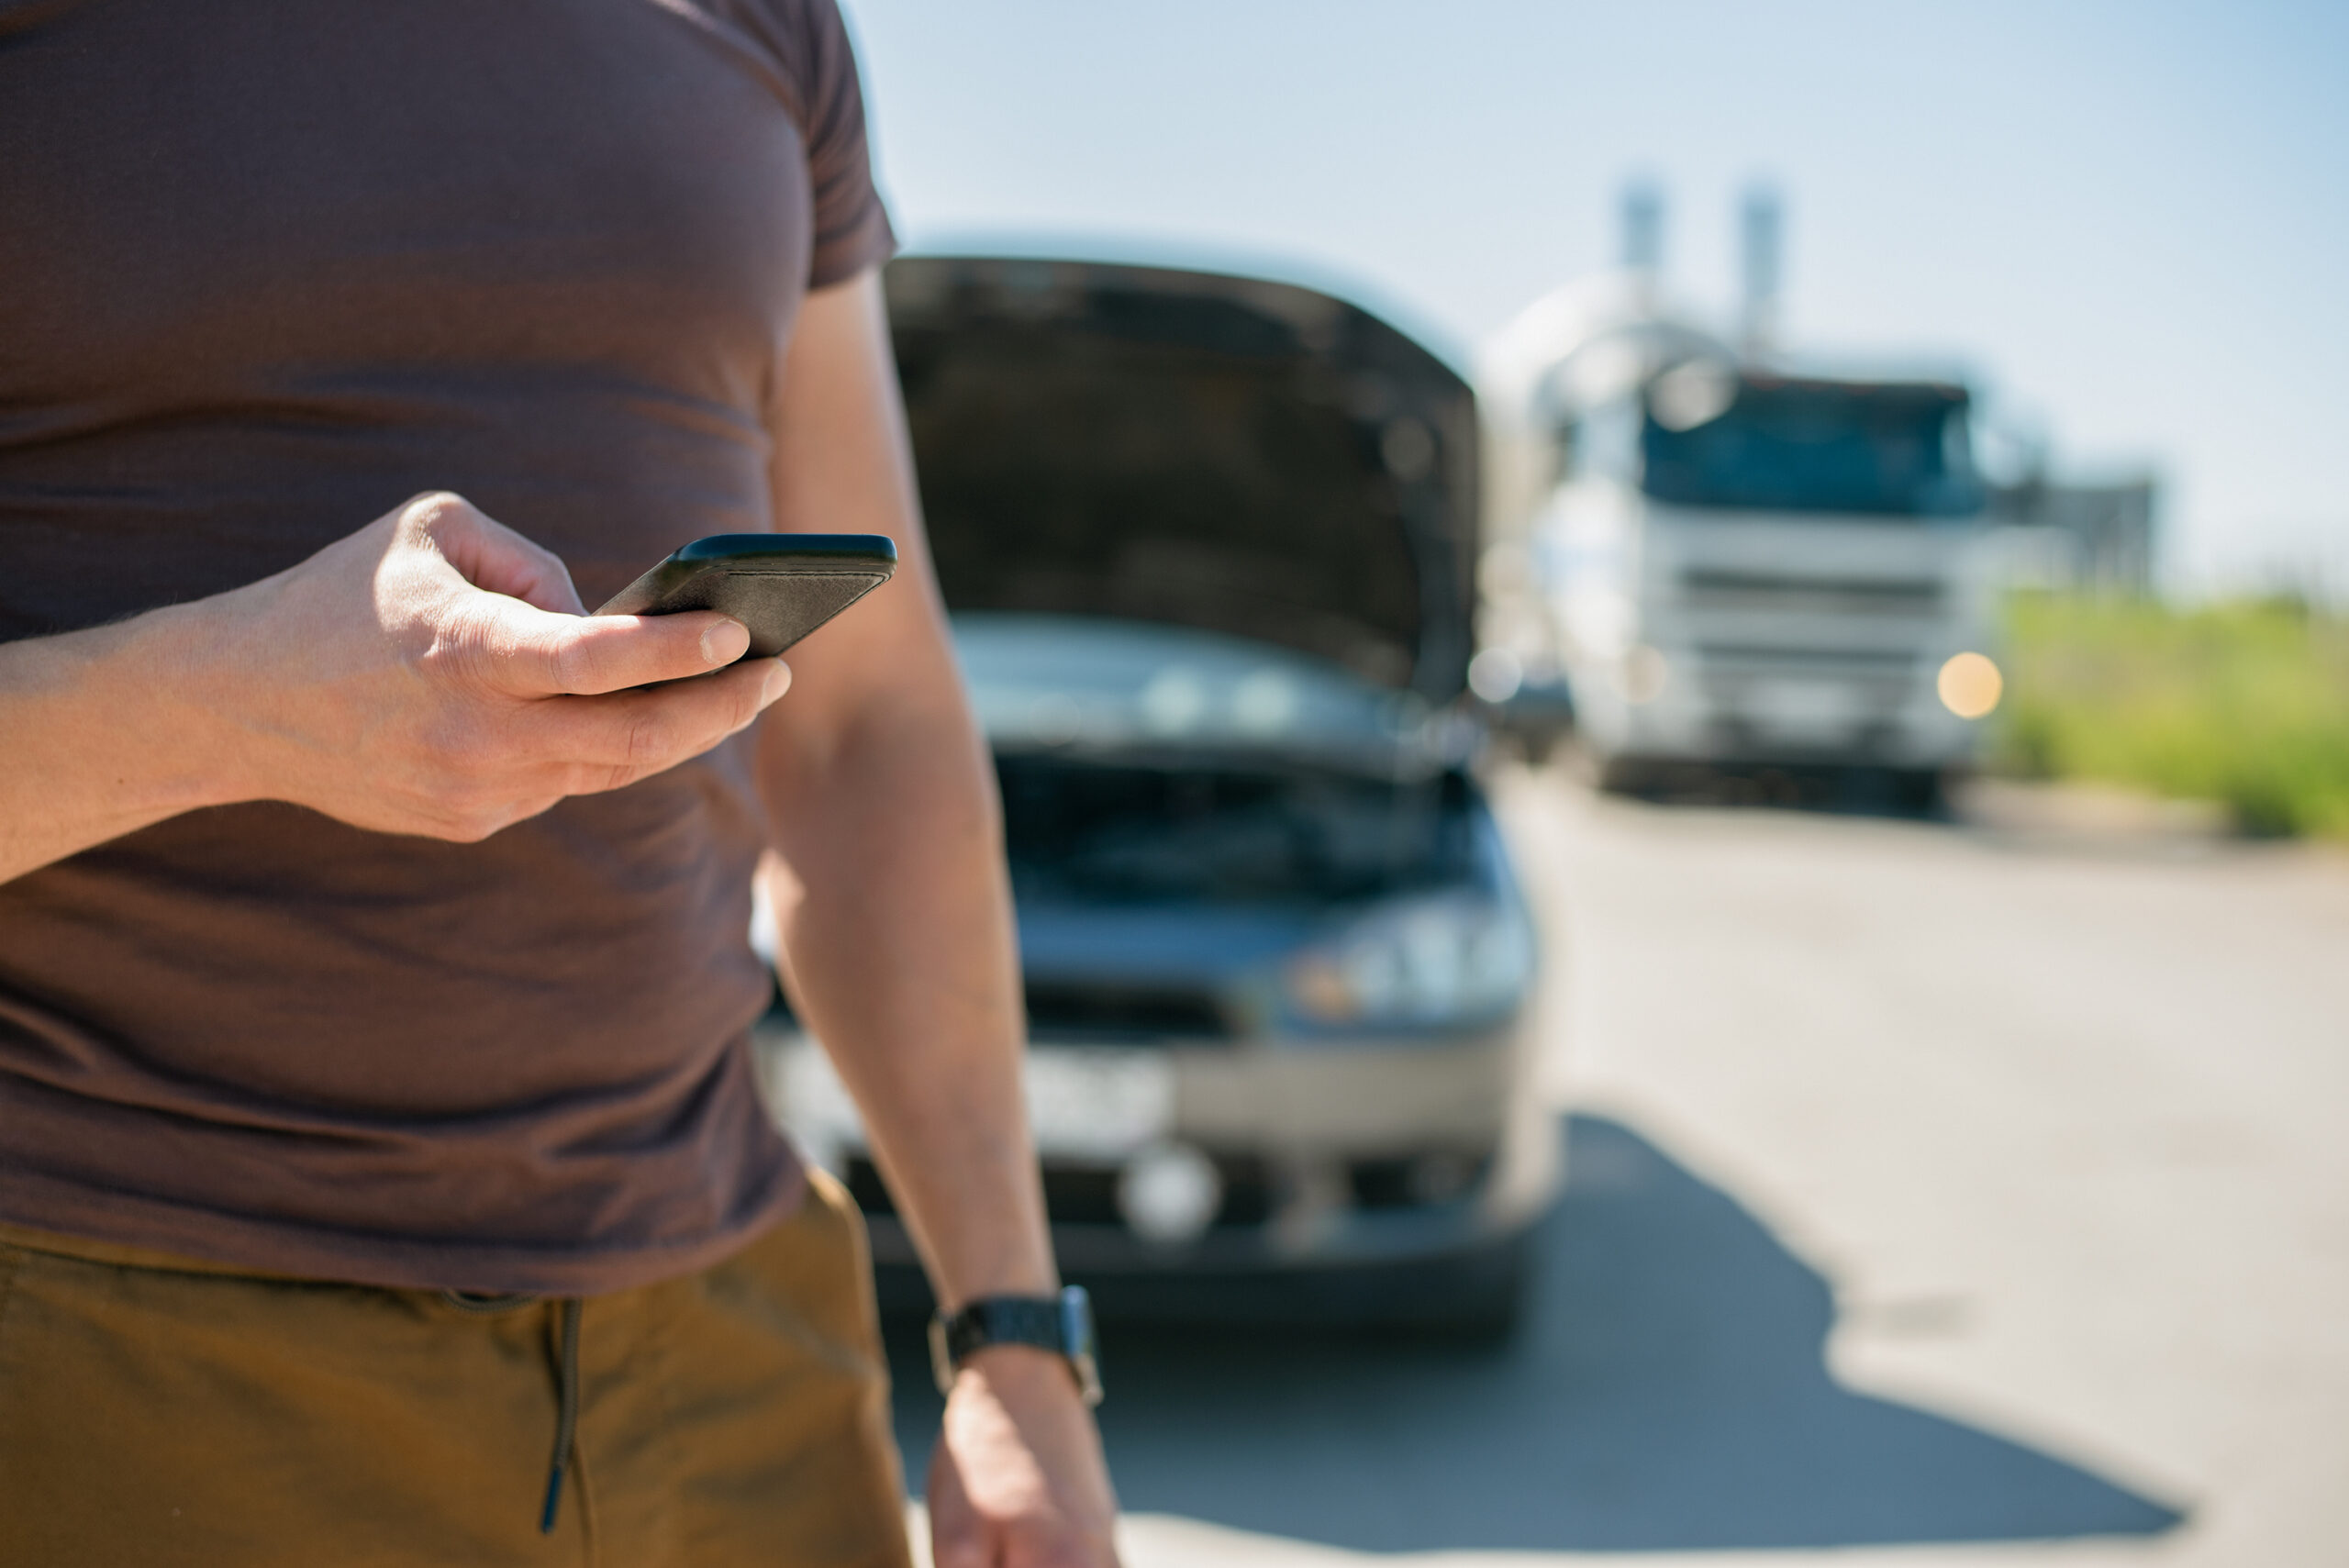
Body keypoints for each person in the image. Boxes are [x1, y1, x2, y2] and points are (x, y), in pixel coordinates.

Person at [0, 1, 1119, 1563]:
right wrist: (227, 708)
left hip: (734, 1348)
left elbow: (871, 727)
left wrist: (1012, 1332)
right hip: (119, 1343)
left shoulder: (768, 26)